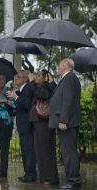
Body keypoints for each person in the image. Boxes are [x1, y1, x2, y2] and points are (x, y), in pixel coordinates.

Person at [49, 58, 82, 190]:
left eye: (59, 66)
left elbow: (67, 101)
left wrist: (63, 120)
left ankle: (74, 180)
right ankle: (72, 179)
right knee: (67, 152)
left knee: (69, 152)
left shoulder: (69, 78)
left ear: (63, 66)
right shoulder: (68, 79)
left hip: (66, 123)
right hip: (67, 122)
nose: (58, 68)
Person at [29, 70, 59, 185]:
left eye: (38, 76)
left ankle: (50, 177)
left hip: (44, 122)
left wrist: (31, 82)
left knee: (46, 150)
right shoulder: (39, 87)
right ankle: (44, 176)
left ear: (45, 78)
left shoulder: (48, 88)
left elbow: (41, 95)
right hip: (37, 121)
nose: (36, 77)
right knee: (39, 150)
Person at [7, 70, 37, 182]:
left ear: (25, 78)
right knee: (25, 149)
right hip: (22, 124)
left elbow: (27, 104)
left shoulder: (28, 88)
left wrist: (16, 97)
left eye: (18, 77)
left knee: (28, 149)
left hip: (27, 124)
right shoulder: (22, 89)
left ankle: (30, 174)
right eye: (15, 77)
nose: (16, 79)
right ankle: (28, 173)